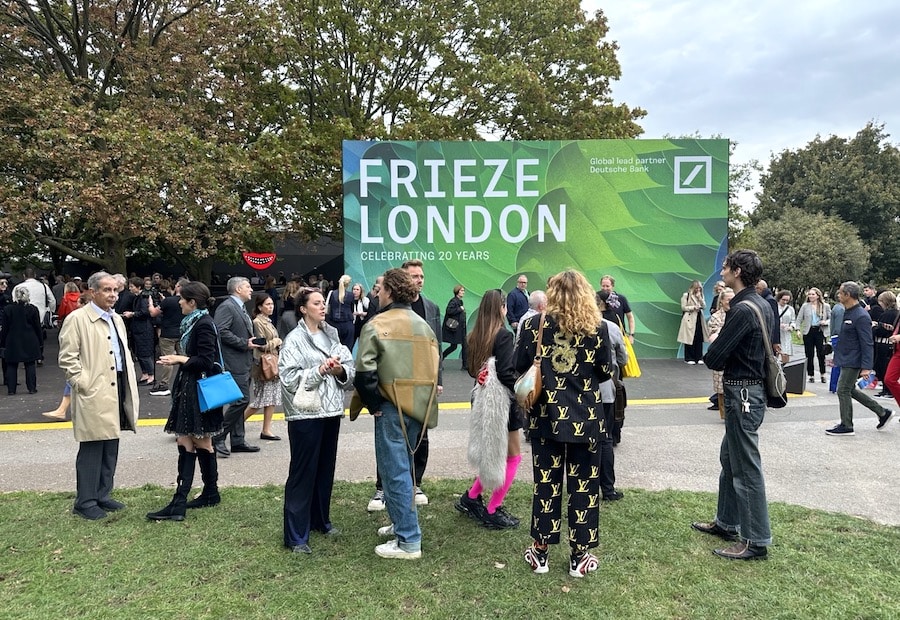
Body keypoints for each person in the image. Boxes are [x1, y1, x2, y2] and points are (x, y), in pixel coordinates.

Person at [517, 269, 611, 577]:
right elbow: (605, 372)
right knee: (585, 486)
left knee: (546, 484)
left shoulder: (533, 325)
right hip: (587, 417)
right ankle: (580, 557)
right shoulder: (598, 327)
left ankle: (540, 552)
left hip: (546, 417)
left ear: (552, 294)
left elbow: (521, 366)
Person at [692, 249, 771, 561]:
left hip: (743, 393)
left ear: (737, 272)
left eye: (726, 266)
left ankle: (755, 540)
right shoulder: (761, 304)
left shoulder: (742, 310)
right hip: (751, 392)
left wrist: (716, 341)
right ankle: (726, 522)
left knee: (746, 468)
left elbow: (714, 358)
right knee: (730, 458)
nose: (722, 270)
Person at [355, 268, 439, 559]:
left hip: (390, 407)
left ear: (389, 292)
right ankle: (400, 523)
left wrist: (374, 406)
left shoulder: (376, 324)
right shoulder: (423, 326)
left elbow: (364, 373)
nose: (377, 294)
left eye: (380, 289)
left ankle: (408, 540)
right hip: (419, 408)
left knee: (395, 472)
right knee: (404, 467)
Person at [58, 271, 139, 520]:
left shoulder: (116, 319)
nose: (113, 295)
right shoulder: (77, 319)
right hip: (94, 389)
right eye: (107, 290)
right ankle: (85, 501)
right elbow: (68, 358)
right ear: (92, 292)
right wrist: (82, 384)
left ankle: (103, 494)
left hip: (117, 386)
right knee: (92, 445)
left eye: (115, 290)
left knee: (111, 443)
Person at [280, 286, 355, 553]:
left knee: (325, 469)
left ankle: (320, 520)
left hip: (331, 411)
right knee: (303, 473)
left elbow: (350, 369)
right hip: (305, 414)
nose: (323, 307)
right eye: (316, 303)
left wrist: (340, 370)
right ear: (303, 309)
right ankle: (296, 536)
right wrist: (319, 371)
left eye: (324, 302)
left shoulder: (331, 334)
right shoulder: (294, 339)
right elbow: (288, 378)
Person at [367, 260, 442, 511]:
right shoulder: (382, 308)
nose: (418, 280)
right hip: (392, 387)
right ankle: (382, 488)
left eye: (421, 276)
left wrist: (437, 380)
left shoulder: (431, 307)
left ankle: (415, 483)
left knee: (419, 438)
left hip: (422, 384)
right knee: (389, 442)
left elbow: (436, 347)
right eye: (413, 276)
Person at [146, 282, 224, 520]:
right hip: (192, 388)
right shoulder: (196, 322)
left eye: (182, 299)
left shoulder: (203, 324)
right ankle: (205, 494)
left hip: (197, 389)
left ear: (192, 302)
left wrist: (179, 359)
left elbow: (206, 361)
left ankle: (184, 501)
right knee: (194, 441)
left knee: (194, 441)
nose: (178, 302)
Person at [454, 289, 522, 529]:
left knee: (490, 454)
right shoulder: (503, 335)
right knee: (513, 457)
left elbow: (473, 370)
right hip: (501, 403)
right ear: (502, 308)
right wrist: (522, 391)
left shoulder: (474, 336)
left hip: (482, 400)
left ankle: (471, 497)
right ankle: (493, 509)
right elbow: (505, 373)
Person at [825, 282, 894, 436]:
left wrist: (867, 367)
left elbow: (867, 343)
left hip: (854, 359)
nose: (838, 295)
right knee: (849, 389)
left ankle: (847, 425)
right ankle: (883, 413)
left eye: (840, 292)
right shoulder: (848, 312)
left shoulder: (861, 316)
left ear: (848, 295)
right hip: (846, 357)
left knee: (843, 389)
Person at [212, 276, 262, 457]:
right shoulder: (227, 307)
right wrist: (243, 343)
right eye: (248, 286)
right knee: (241, 400)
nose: (251, 290)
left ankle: (238, 440)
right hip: (233, 361)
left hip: (243, 361)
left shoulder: (239, 307)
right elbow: (220, 330)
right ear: (238, 289)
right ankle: (219, 435)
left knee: (239, 401)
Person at [42, 291, 92, 420]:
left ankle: (62, 410)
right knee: (73, 382)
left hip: (83, 357)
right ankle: (62, 409)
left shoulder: (77, 318)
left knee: (73, 380)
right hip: (87, 357)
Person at [245, 293, 283, 441]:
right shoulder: (257, 322)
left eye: (272, 304)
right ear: (260, 307)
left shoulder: (268, 321)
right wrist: (276, 341)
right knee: (260, 399)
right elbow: (260, 344)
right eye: (267, 304)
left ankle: (266, 429)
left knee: (271, 398)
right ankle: (235, 424)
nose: (271, 307)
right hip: (263, 364)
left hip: (272, 361)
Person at [1, 287, 43, 394]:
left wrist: (3, 342)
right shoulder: (32, 309)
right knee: (30, 364)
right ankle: (32, 388)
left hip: (12, 339)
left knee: (11, 364)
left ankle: (11, 389)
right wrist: (40, 342)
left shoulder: (8, 309)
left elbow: (5, 328)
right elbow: (37, 327)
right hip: (30, 339)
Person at [12, 267, 55, 365]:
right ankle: (39, 356)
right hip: (40, 314)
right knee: (39, 335)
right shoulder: (44, 286)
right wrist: (50, 311)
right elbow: (52, 300)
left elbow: (14, 301)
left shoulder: (18, 287)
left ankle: (26, 356)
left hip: (22, 315)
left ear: (24, 276)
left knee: (24, 336)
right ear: (35, 275)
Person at [121, 277, 156, 386]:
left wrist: (132, 314)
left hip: (144, 329)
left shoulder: (143, 298)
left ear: (138, 287)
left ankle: (151, 375)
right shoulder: (138, 297)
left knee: (145, 353)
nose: (130, 288)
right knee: (140, 353)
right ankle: (145, 373)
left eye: (132, 286)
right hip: (138, 328)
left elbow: (145, 312)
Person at [706, 287, 734, 418]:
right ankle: (725, 415)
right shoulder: (716, 317)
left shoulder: (739, 313)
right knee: (721, 389)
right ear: (721, 301)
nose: (731, 302)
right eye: (728, 299)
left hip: (737, 357)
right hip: (722, 357)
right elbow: (713, 336)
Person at [796, 287, 831, 384]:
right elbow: (799, 319)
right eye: (809, 294)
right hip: (808, 331)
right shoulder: (805, 306)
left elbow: (831, 318)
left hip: (820, 331)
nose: (811, 296)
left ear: (818, 296)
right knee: (809, 354)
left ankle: (823, 374)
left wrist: (826, 322)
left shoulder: (825, 306)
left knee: (821, 353)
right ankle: (811, 375)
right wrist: (798, 330)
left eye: (813, 294)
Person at [872, 291, 897, 398]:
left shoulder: (887, 314)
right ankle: (886, 390)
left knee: (883, 367)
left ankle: (887, 391)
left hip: (883, 343)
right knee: (885, 367)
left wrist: (874, 327)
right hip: (890, 344)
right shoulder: (896, 313)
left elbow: (881, 330)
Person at [677, 280, 709, 364]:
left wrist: (700, 299)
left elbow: (704, 306)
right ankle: (689, 358)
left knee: (699, 337)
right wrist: (693, 307)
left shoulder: (700, 295)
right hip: (690, 318)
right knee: (690, 338)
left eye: (699, 288)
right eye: (696, 288)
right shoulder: (686, 295)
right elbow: (683, 307)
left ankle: (699, 357)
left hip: (699, 318)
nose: (698, 290)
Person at [599, 275, 635, 344]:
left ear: (612, 286)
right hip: (602, 338)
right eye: (603, 286)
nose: (605, 288)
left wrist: (631, 335)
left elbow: (630, 317)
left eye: (607, 286)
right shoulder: (596, 299)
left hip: (620, 337)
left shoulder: (621, 299)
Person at [441, 285, 467, 370]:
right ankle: (440, 359)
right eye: (461, 291)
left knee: (463, 345)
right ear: (457, 292)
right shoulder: (454, 301)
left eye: (463, 291)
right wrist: (460, 309)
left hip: (460, 328)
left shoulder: (459, 301)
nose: (463, 292)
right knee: (456, 346)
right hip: (456, 329)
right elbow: (449, 311)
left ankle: (465, 364)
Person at [325, 274, 354, 350]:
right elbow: (352, 309)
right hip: (347, 324)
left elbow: (328, 309)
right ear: (348, 284)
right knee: (347, 350)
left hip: (333, 323)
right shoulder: (351, 295)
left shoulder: (332, 293)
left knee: (334, 349)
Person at [776, 290, 796, 364]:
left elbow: (793, 321)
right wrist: (778, 324)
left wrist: (791, 327)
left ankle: (785, 368)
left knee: (785, 353)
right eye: (783, 300)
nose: (785, 302)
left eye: (787, 300)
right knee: (775, 353)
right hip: (776, 333)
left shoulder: (790, 309)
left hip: (786, 333)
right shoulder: (774, 307)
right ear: (779, 298)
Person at [351, 282, 369, 347]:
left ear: (361, 291)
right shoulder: (350, 299)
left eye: (357, 289)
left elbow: (370, 312)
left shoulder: (365, 300)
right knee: (351, 344)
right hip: (352, 325)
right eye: (354, 289)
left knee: (362, 346)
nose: (355, 291)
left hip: (362, 325)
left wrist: (360, 313)